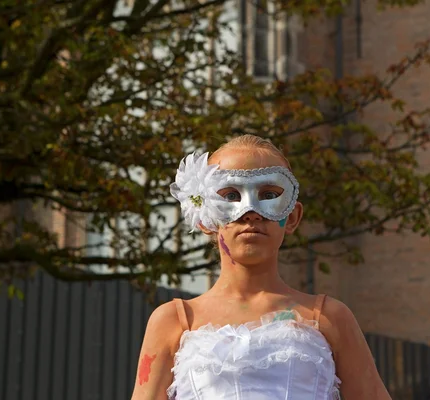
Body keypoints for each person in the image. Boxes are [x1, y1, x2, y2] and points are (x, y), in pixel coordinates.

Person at [131, 135, 391, 400]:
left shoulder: (329, 318)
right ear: (205, 218)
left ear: (292, 217)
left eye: (269, 195)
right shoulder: (174, 321)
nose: (251, 212)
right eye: (231, 195)